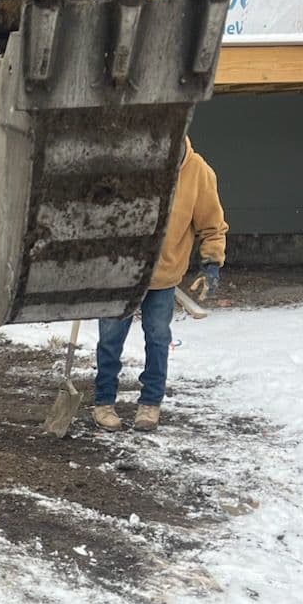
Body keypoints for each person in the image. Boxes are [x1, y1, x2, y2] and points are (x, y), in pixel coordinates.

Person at [93, 137, 228, 432]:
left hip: (163, 276)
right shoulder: (129, 165)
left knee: (157, 340)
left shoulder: (198, 172)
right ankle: (104, 402)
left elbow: (212, 225)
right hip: (120, 273)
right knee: (110, 340)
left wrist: (211, 264)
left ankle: (150, 403)